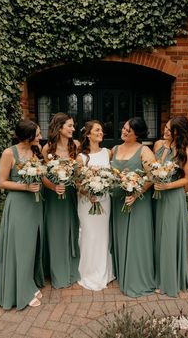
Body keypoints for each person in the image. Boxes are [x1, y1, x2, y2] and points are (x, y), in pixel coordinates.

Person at [0, 120, 44, 310]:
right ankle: (21, 291)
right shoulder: (9, 153)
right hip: (18, 205)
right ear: (29, 136)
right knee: (20, 248)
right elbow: (2, 182)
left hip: (35, 205)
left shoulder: (35, 150)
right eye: (37, 134)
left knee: (31, 247)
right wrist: (25, 187)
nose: (40, 137)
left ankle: (29, 283)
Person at [111, 117, 155, 297]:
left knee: (136, 239)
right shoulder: (114, 149)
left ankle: (136, 277)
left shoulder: (144, 151)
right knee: (121, 236)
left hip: (137, 202)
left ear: (136, 133)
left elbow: (152, 176)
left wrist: (136, 193)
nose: (123, 131)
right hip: (118, 201)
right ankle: (121, 273)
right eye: (123, 127)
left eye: (127, 130)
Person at [153, 115, 188, 297]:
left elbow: (187, 179)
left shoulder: (186, 153)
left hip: (173, 198)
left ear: (178, 132)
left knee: (168, 237)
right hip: (157, 197)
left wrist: (167, 185)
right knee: (158, 236)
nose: (165, 131)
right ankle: (157, 274)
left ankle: (168, 281)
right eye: (166, 127)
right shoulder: (158, 145)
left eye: (170, 129)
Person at [42, 112, 80, 288]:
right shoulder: (47, 149)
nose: (73, 129)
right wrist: (53, 187)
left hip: (71, 194)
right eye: (70, 126)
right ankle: (57, 273)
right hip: (53, 197)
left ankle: (72, 270)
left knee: (71, 230)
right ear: (60, 127)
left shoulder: (76, 146)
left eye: (73, 126)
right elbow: (42, 176)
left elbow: (80, 174)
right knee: (56, 232)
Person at [76, 120, 115, 291]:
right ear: (88, 134)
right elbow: (77, 183)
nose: (101, 132)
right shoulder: (82, 157)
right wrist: (88, 193)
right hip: (87, 202)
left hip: (105, 200)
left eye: (102, 130)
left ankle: (104, 272)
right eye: (97, 130)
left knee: (103, 235)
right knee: (88, 234)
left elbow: (113, 176)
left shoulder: (108, 153)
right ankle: (89, 272)